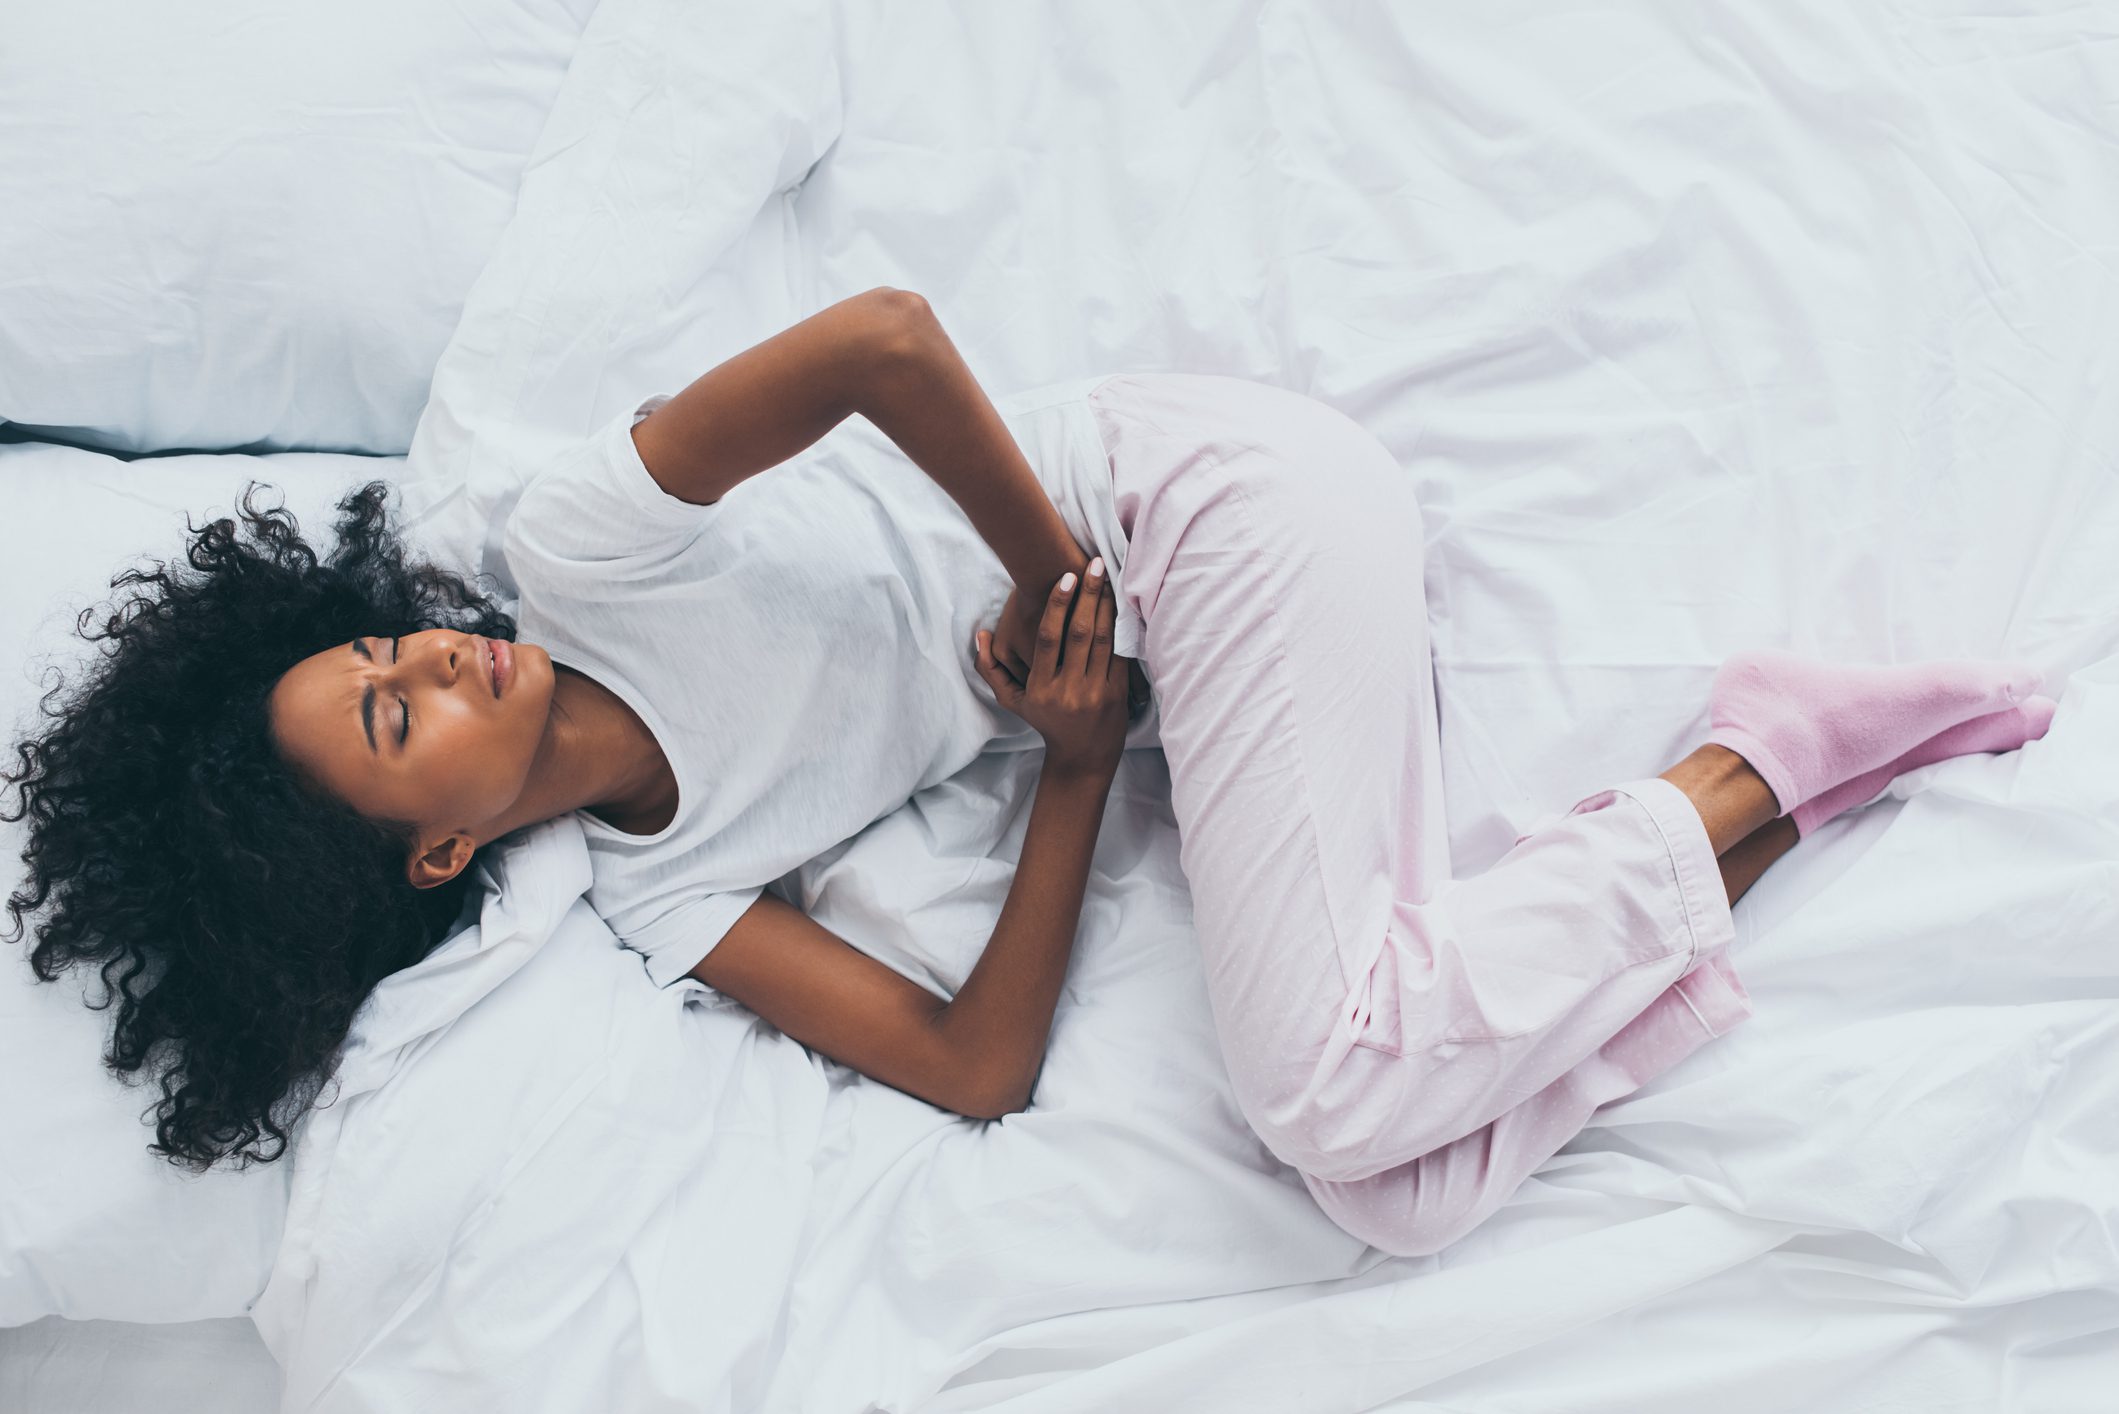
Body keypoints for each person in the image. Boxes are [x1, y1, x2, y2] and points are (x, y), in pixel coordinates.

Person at [2, 287, 2055, 1257]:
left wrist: (1052, 570)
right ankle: (1743, 791)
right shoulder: (658, 897)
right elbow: (974, 1065)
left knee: (1327, 1089)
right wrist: (1073, 762)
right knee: (1399, 1185)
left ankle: (1754, 759)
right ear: (440, 837)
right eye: (395, 711)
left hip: (1195, 504)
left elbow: (883, 343)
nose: (430, 650)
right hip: (1154, 657)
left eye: (377, 644)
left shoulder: (576, 545)